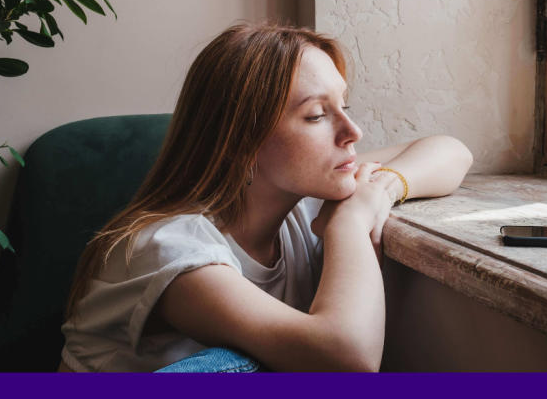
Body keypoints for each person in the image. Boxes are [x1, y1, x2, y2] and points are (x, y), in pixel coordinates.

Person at [57, 22, 473, 372]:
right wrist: (350, 222)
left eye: (344, 105)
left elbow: (451, 151)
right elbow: (348, 359)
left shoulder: (301, 192)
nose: (353, 132)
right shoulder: (169, 251)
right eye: (316, 115)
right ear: (240, 140)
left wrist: (384, 188)